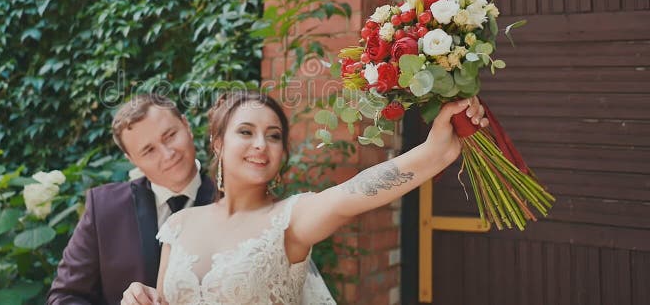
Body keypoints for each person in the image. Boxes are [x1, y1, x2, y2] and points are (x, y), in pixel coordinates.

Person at [150, 90, 487, 304]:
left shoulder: (290, 219)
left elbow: (352, 194)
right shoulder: (177, 226)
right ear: (218, 142)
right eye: (245, 132)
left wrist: (434, 152)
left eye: (274, 136)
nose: (260, 145)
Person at [47, 94, 216, 305]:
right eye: (149, 150)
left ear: (186, 125)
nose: (167, 154)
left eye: (170, 135)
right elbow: (64, 297)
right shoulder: (104, 208)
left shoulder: (233, 199)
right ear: (132, 160)